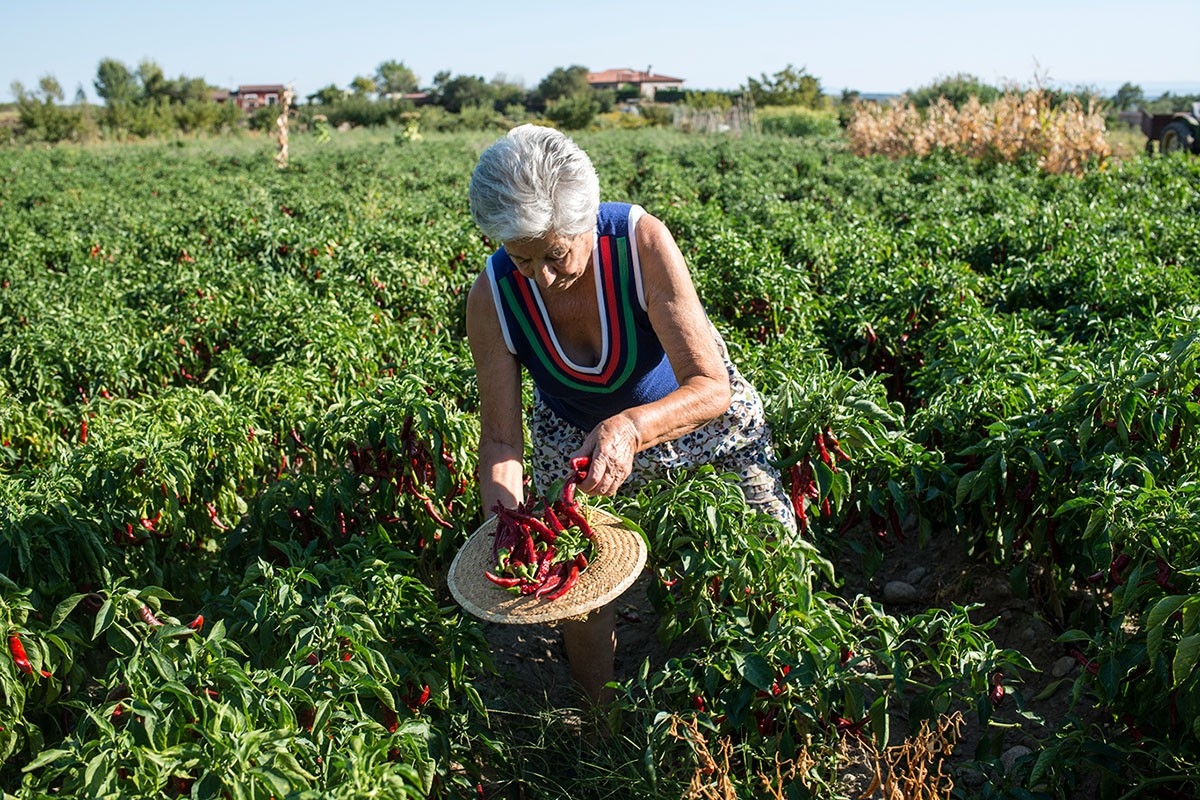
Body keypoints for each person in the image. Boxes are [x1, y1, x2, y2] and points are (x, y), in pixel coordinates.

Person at [465, 124, 795, 706]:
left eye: (555, 254)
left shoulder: (639, 245)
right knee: (575, 583)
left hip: (694, 421)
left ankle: (771, 696)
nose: (542, 276)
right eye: (521, 257)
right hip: (574, 438)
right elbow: (500, 440)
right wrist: (510, 522)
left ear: (587, 222)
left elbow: (710, 386)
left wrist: (631, 426)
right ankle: (600, 717)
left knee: (766, 553)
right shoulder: (492, 297)